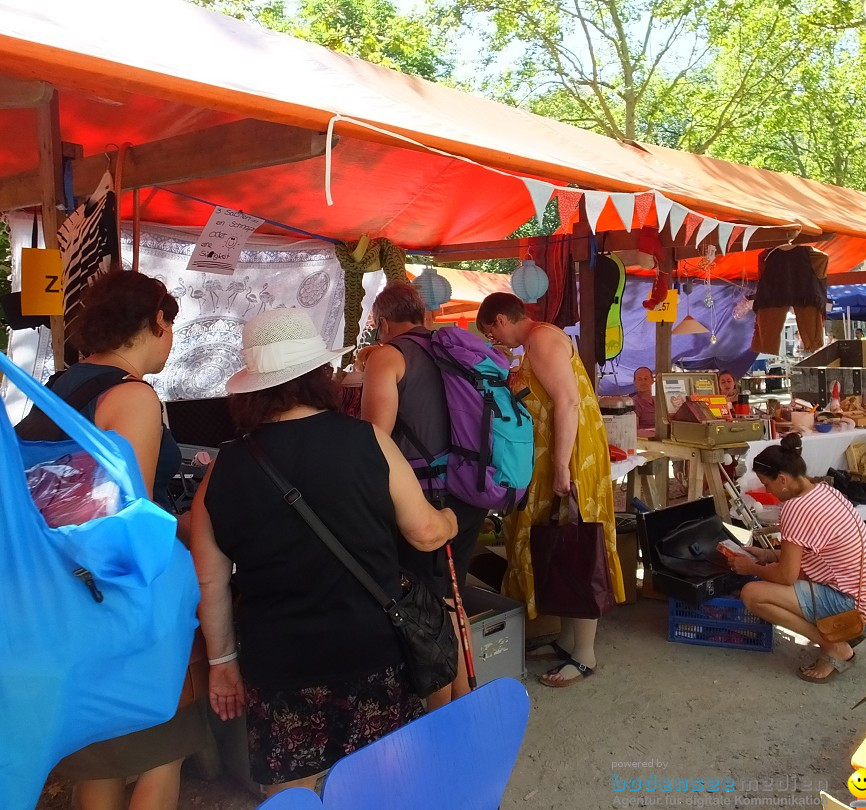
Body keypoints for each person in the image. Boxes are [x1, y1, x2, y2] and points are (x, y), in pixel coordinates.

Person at [188, 308, 458, 795]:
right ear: (322, 376)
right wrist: (450, 519)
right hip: (373, 647)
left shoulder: (222, 470)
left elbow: (210, 580)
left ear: (253, 388)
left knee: (293, 794)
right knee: (389, 783)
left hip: (280, 663)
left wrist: (223, 663)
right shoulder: (366, 441)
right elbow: (424, 533)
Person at [43, 271, 211, 810]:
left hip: (63, 591)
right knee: (162, 746)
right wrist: (193, 524)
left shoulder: (57, 386)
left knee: (101, 750)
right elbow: (129, 516)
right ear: (158, 321)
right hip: (123, 598)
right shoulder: (132, 396)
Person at [476, 293, 624, 687]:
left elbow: (568, 401)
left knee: (577, 547)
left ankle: (585, 654)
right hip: (556, 453)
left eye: (491, 331)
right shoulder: (539, 341)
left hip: (569, 454)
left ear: (503, 319)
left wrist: (561, 465)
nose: (495, 340)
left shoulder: (540, 339)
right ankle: (566, 640)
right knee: (556, 546)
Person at [360, 282, 488, 709]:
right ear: (424, 314)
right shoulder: (450, 348)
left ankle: (446, 714)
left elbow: (374, 439)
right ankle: (464, 702)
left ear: (381, 323)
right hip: (471, 489)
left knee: (426, 608)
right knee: (451, 596)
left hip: (425, 499)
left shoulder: (388, 355)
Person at [722, 434, 866, 684]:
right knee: (789, 580)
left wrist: (751, 566)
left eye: (766, 484)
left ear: (782, 480)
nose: (766, 491)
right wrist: (767, 554)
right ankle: (834, 642)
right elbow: (812, 554)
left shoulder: (795, 508)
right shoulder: (825, 491)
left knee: (752, 594)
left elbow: (786, 575)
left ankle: (834, 646)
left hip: (858, 611)